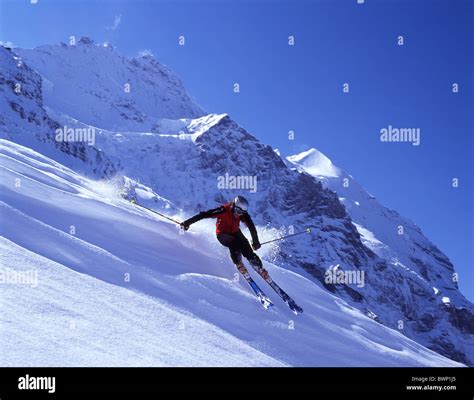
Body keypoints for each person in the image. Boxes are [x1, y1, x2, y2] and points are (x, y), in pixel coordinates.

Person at [180, 195, 270, 280]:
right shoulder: (223, 210)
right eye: (238, 212)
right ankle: (239, 263)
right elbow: (204, 214)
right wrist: (187, 223)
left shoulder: (242, 214)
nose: (239, 215)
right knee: (234, 243)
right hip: (222, 234)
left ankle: (260, 268)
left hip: (235, 232)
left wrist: (255, 241)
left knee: (246, 245)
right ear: (233, 206)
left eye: (241, 213)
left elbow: (251, 226)